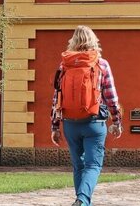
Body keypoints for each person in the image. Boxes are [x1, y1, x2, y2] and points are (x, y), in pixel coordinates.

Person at [51, 25, 122, 206]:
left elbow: (57, 97)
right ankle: (82, 200)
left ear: (73, 41)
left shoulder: (64, 65)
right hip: (94, 123)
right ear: (93, 40)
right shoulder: (101, 63)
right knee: (93, 165)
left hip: (70, 124)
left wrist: (54, 126)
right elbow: (111, 97)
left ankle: (82, 202)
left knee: (79, 166)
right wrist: (117, 120)